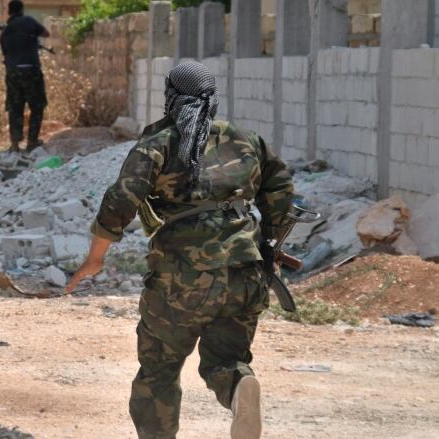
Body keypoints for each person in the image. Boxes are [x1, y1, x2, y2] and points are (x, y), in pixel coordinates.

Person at [66, 61, 295, 439]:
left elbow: (120, 201)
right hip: (244, 272)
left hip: (180, 278)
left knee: (159, 370)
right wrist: (269, 246)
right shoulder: (248, 140)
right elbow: (282, 193)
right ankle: (240, 388)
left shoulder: (159, 143)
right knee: (227, 360)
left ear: (170, 97)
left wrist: (95, 259)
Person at [0, 0, 49, 153]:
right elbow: (46, 33)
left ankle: (15, 144)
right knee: (37, 106)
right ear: (21, 10)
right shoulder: (29, 21)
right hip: (31, 70)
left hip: (13, 73)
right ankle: (32, 141)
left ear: (9, 12)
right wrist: (32, 39)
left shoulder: (5, 32)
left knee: (15, 108)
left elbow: (6, 54)